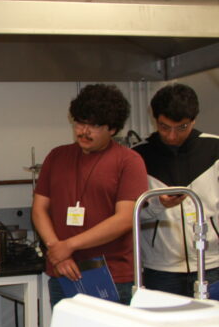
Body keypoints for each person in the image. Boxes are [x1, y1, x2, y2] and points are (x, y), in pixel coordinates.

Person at [33, 84, 149, 306]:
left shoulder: (129, 161)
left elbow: (125, 219)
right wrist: (57, 250)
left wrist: (69, 246)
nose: (83, 131)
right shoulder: (57, 156)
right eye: (79, 122)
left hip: (112, 276)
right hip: (63, 272)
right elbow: (39, 208)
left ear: (112, 128)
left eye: (94, 126)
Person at [132, 83, 219, 297]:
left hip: (212, 263)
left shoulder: (214, 149)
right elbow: (129, 215)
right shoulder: (138, 156)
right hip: (161, 270)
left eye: (182, 127)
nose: (172, 136)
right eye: (164, 127)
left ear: (194, 120)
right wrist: (157, 205)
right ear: (155, 119)